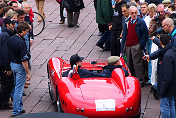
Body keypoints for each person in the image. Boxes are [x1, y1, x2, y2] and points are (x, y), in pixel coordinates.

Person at [144, 34, 176, 118]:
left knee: (165, 106)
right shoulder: (171, 50)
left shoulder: (167, 56)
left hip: (166, 85)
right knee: (171, 104)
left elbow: (167, 76)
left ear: (161, 42)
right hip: (173, 83)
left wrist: (162, 89)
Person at [8, 21, 31, 117]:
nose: (27, 33)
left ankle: (19, 107)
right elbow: (24, 61)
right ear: (22, 31)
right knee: (19, 89)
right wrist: (28, 72)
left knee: (16, 86)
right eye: (26, 31)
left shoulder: (12, 38)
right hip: (19, 66)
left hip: (12, 64)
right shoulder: (21, 42)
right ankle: (16, 111)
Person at [121, 6, 148, 86]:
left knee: (138, 64)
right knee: (129, 64)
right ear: (129, 13)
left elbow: (145, 34)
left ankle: (140, 81)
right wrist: (123, 47)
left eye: (135, 13)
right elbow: (124, 35)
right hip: (128, 45)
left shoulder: (141, 22)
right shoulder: (127, 21)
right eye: (132, 13)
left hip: (136, 45)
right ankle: (132, 80)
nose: (134, 14)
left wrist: (141, 45)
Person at [0, 17, 16, 110]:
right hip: (4, 65)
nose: (14, 25)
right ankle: (3, 103)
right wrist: (8, 68)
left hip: (3, 64)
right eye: (12, 24)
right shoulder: (6, 35)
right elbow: (5, 52)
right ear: (7, 25)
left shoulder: (5, 34)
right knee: (7, 84)